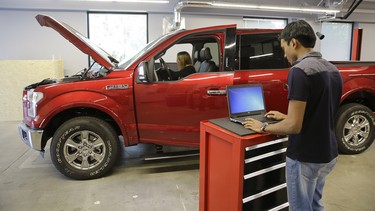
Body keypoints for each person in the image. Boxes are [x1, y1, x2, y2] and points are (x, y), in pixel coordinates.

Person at [243, 20, 343, 211]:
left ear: (294, 43)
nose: (284, 54)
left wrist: (263, 126)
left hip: (305, 156)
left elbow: (294, 127)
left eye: (284, 47)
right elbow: (320, 110)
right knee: (315, 204)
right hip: (328, 154)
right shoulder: (332, 69)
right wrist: (286, 116)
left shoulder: (299, 71)